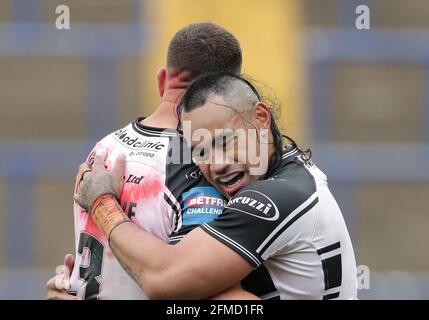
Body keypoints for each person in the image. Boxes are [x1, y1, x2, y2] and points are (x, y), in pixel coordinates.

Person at [74, 72, 358, 300]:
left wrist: (102, 203)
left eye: (225, 141)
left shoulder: (277, 197)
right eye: (201, 151)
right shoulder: (288, 169)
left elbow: (164, 279)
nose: (217, 164)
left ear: (261, 117)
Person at [46, 23, 259, 300]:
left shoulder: (102, 150)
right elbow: (199, 289)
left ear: (162, 80)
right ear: (228, 94)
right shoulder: (201, 161)